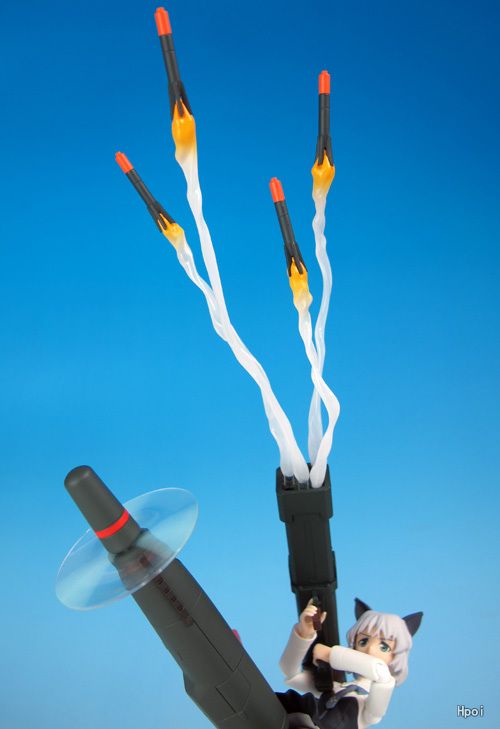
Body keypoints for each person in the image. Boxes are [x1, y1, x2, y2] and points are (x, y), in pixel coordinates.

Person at [276, 598, 423, 729]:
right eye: (363, 641)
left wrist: (331, 654)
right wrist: (304, 634)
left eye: (384, 647)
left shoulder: (372, 702)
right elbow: (290, 672)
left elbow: (381, 674)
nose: (370, 649)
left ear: (396, 657)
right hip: (302, 720)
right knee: (284, 702)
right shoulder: (332, 688)